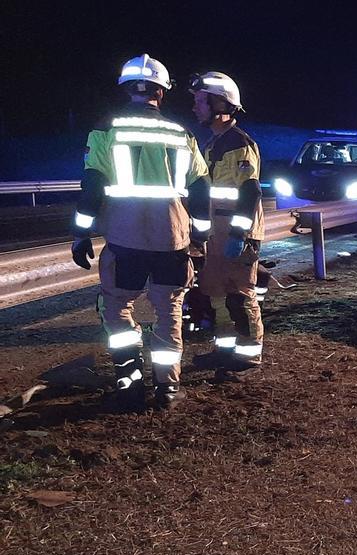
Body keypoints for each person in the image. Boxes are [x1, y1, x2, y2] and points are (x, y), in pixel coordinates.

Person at [71, 54, 211, 411]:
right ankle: (168, 390)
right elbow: (200, 189)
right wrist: (202, 236)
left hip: (124, 239)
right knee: (169, 312)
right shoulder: (182, 133)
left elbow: (92, 185)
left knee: (117, 306)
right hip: (173, 239)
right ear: (161, 92)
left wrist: (81, 233)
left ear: (125, 88)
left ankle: (129, 381)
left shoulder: (105, 130)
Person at [187, 71, 266, 375]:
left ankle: (248, 356)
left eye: (200, 100)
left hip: (236, 233)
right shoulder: (213, 144)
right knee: (216, 294)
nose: (195, 107)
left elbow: (250, 191)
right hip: (217, 233)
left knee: (239, 295)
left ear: (220, 103)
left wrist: (238, 233)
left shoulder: (238, 143)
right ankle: (225, 350)